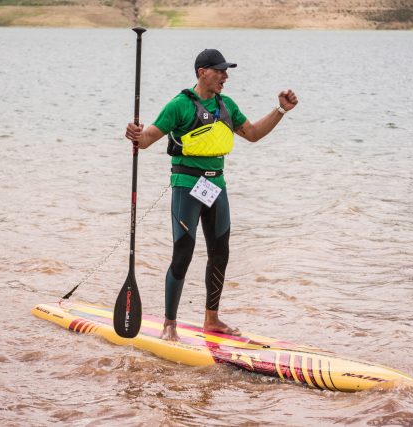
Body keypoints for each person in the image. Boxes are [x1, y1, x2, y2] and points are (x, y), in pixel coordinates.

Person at [125, 48, 298, 341]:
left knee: (221, 253)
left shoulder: (226, 105)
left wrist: (280, 110)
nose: (225, 77)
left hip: (216, 186)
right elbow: (148, 139)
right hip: (186, 186)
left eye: (226, 71)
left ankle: (212, 320)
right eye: (219, 71)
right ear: (202, 72)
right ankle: (169, 324)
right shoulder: (179, 105)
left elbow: (253, 134)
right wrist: (136, 134)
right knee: (183, 253)